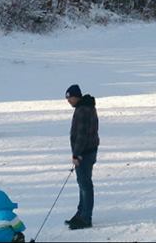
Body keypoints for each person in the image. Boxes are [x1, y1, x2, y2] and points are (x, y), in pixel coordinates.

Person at [65, 84, 98, 230]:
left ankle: (86, 218)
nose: (68, 101)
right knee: (82, 183)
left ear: (76, 96)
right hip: (88, 151)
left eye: (69, 98)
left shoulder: (82, 110)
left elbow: (82, 135)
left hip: (84, 153)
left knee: (85, 185)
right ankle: (80, 213)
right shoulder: (86, 107)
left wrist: (76, 154)